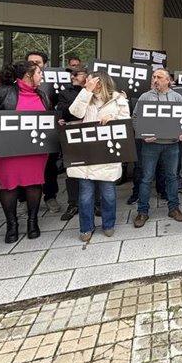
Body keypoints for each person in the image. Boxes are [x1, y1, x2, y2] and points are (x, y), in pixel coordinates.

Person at [0, 61, 51, 243]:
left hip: (35, 150)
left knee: (34, 184)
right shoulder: (1, 93)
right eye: (39, 73)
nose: (42, 76)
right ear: (28, 75)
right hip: (8, 151)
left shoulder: (42, 95)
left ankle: (32, 221)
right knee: (9, 186)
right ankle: (11, 224)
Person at [67, 72, 129, 241]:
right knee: (85, 195)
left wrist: (113, 117)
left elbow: (127, 122)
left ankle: (108, 224)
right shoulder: (85, 97)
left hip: (107, 152)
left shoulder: (118, 99)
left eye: (91, 81)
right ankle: (86, 227)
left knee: (108, 193)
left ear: (101, 83)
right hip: (86, 152)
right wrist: (86, 92)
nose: (87, 82)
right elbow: (75, 113)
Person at [132, 68, 182, 228]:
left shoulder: (177, 97)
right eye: (154, 77)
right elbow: (135, 118)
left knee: (171, 177)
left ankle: (174, 208)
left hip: (171, 145)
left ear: (168, 80)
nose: (155, 80)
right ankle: (142, 211)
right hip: (150, 146)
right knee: (146, 178)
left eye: (159, 77)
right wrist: (142, 135)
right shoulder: (145, 96)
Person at [24, 51, 62, 213]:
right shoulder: (14, 84)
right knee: (25, 167)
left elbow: (62, 103)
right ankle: (25, 199)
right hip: (23, 133)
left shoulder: (53, 83)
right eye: (30, 62)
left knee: (49, 167)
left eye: (37, 62)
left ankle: (50, 196)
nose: (34, 64)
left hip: (47, 131)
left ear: (44, 65)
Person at [56, 66, 89, 222]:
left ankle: (95, 203)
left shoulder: (95, 92)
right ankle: (73, 203)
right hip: (72, 136)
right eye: (72, 74)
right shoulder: (65, 93)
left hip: (91, 136)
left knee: (93, 168)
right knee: (72, 170)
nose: (73, 77)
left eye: (77, 74)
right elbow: (67, 112)